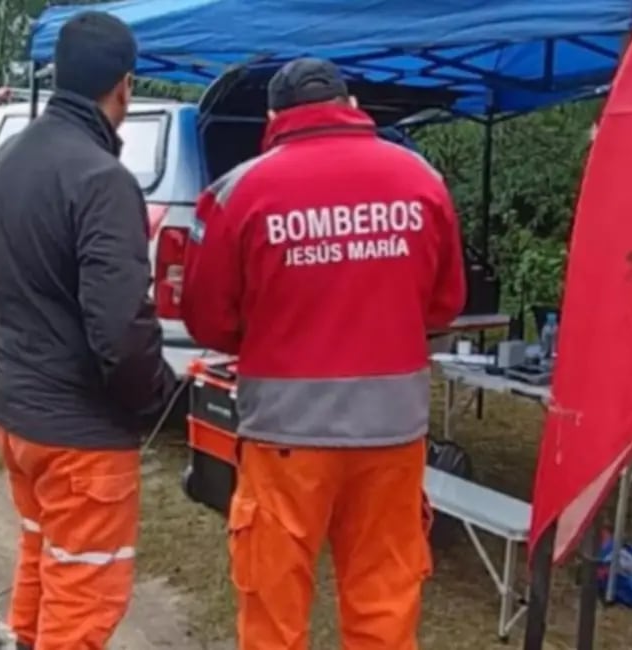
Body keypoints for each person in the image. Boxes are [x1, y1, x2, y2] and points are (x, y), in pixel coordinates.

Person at [181, 57, 466, 650]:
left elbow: (208, 318)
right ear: (354, 108)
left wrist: (272, 334)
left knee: (275, 610)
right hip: (393, 435)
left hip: (287, 437)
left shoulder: (239, 191)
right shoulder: (421, 180)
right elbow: (444, 306)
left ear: (272, 117)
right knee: (384, 606)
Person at [0, 11, 177, 650]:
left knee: (44, 560)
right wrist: (163, 399)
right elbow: (120, 328)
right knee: (83, 604)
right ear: (124, 87)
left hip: (18, 417)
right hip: (81, 439)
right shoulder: (103, 180)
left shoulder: (9, 157)